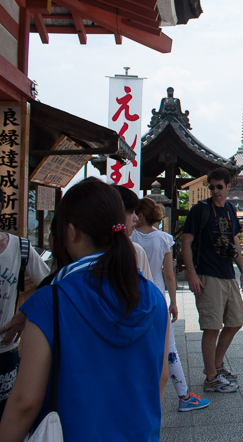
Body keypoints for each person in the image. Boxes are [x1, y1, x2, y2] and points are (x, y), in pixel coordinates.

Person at [0, 177, 168, 441]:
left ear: (71, 232)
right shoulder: (154, 298)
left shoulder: (50, 301)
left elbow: (25, 403)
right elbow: (161, 376)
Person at [133, 197, 209, 412]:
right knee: (169, 347)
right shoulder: (163, 239)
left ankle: (138, 396)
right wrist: (173, 302)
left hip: (133, 296)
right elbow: (169, 274)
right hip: (157, 295)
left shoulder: (129, 238)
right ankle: (184, 395)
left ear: (140, 215)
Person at [182, 168, 243, 392]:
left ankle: (217, 365)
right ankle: (211, 378)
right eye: (212, 187)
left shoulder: (230, 210)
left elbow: (235, 241)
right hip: (207, 274)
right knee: (211, 327)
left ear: (228, 186)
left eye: (219, 187)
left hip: (228, 273)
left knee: (236, 321)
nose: (215, 191)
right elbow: (186, 242)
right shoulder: (199, 210)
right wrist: (192, 274)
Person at [0, 229, 50, 419]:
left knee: (4, 413)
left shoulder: (20, 248)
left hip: (5, 349)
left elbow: (49, 285)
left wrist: (24, 313)